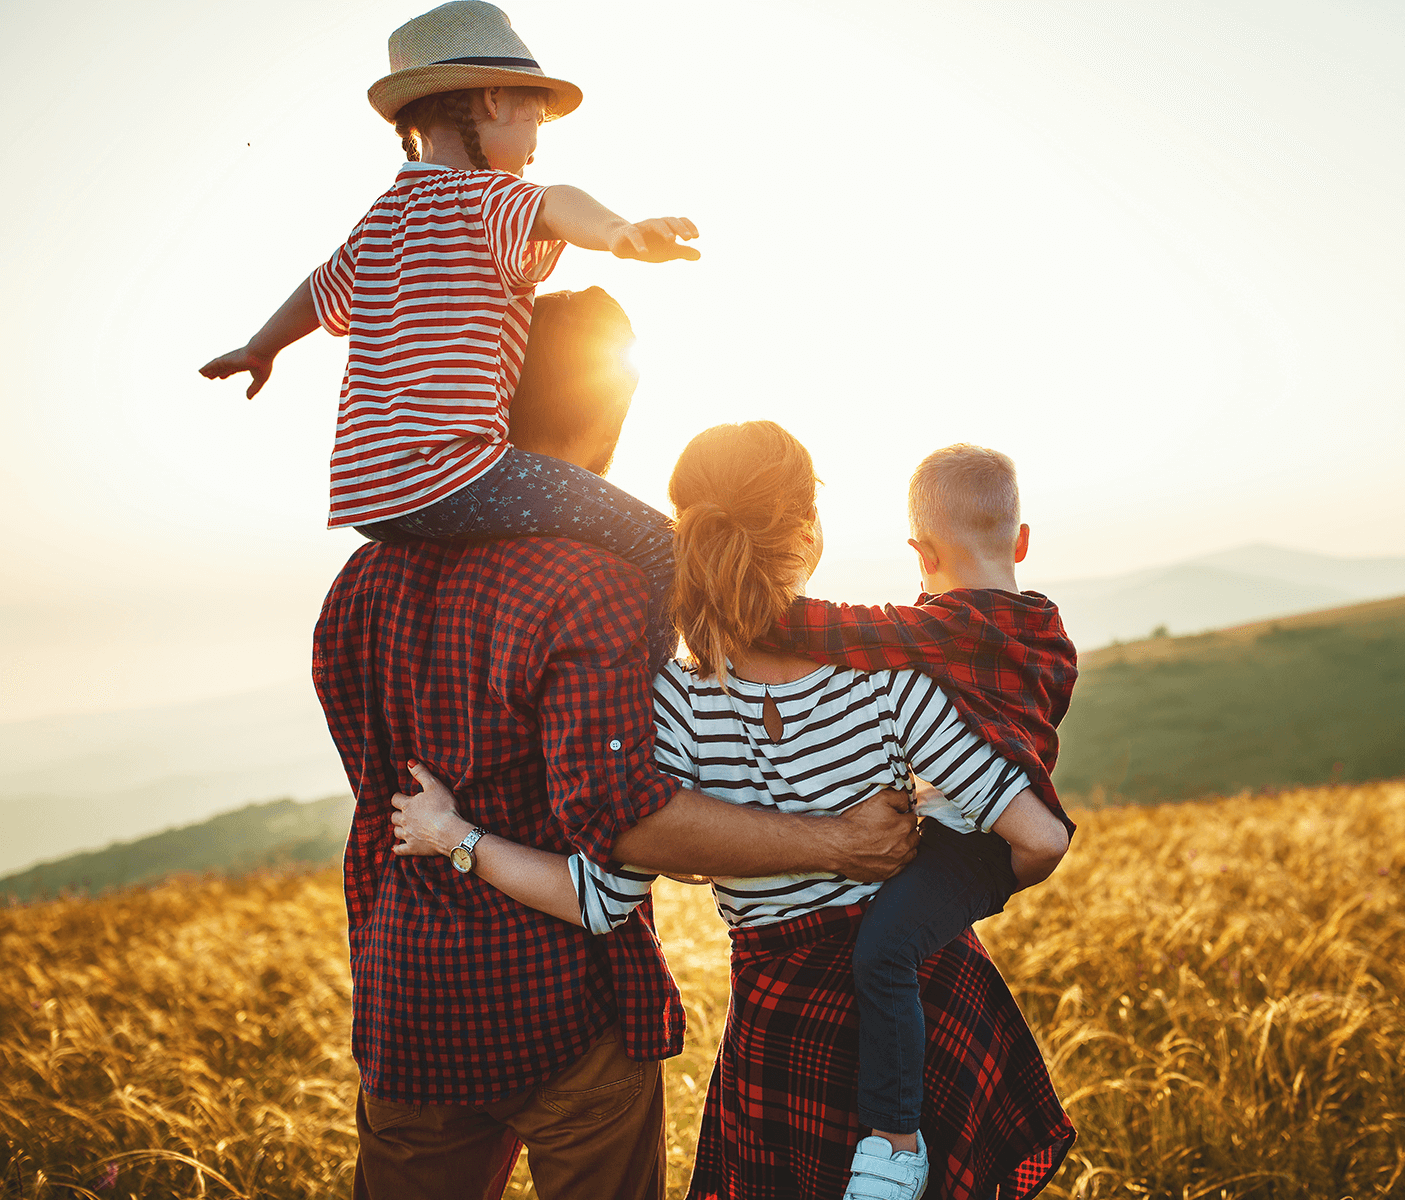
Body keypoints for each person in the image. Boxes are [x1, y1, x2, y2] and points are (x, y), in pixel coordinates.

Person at [315, 286, 920, 1200]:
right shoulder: (594, 583)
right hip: (561, 1008)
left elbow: (377, 790)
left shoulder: (357, 584)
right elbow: (622, 820)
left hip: (409, 999)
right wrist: (839, 841)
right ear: (608, 417)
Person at [394, 420, 1076, 1200]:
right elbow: (1026, 828)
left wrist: (454, 836)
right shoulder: (891, 675)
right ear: (809, 536)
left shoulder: (672, 710)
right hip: (929, 1002)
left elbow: (597, 901)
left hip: (782, 1031)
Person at [199, 0, 698, 660]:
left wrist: (260, 348)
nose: (535, 145)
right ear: (494, 99)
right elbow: (555, 203)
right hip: (456, 475)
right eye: (535, 121)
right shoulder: (489, 200)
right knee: (663, 546)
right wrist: (617, 232)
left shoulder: (381, 219)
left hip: (370, 497)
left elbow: (319, 290)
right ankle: (660, 707)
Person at [755, 443, 1079, 1188]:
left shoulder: (940, 628)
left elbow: (829, 628)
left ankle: (895, 1147)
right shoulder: (1049, 631)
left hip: (980, 844)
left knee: (884, 951)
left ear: (921, 553)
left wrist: (736, 606)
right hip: (984, 838)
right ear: (1022, 541)